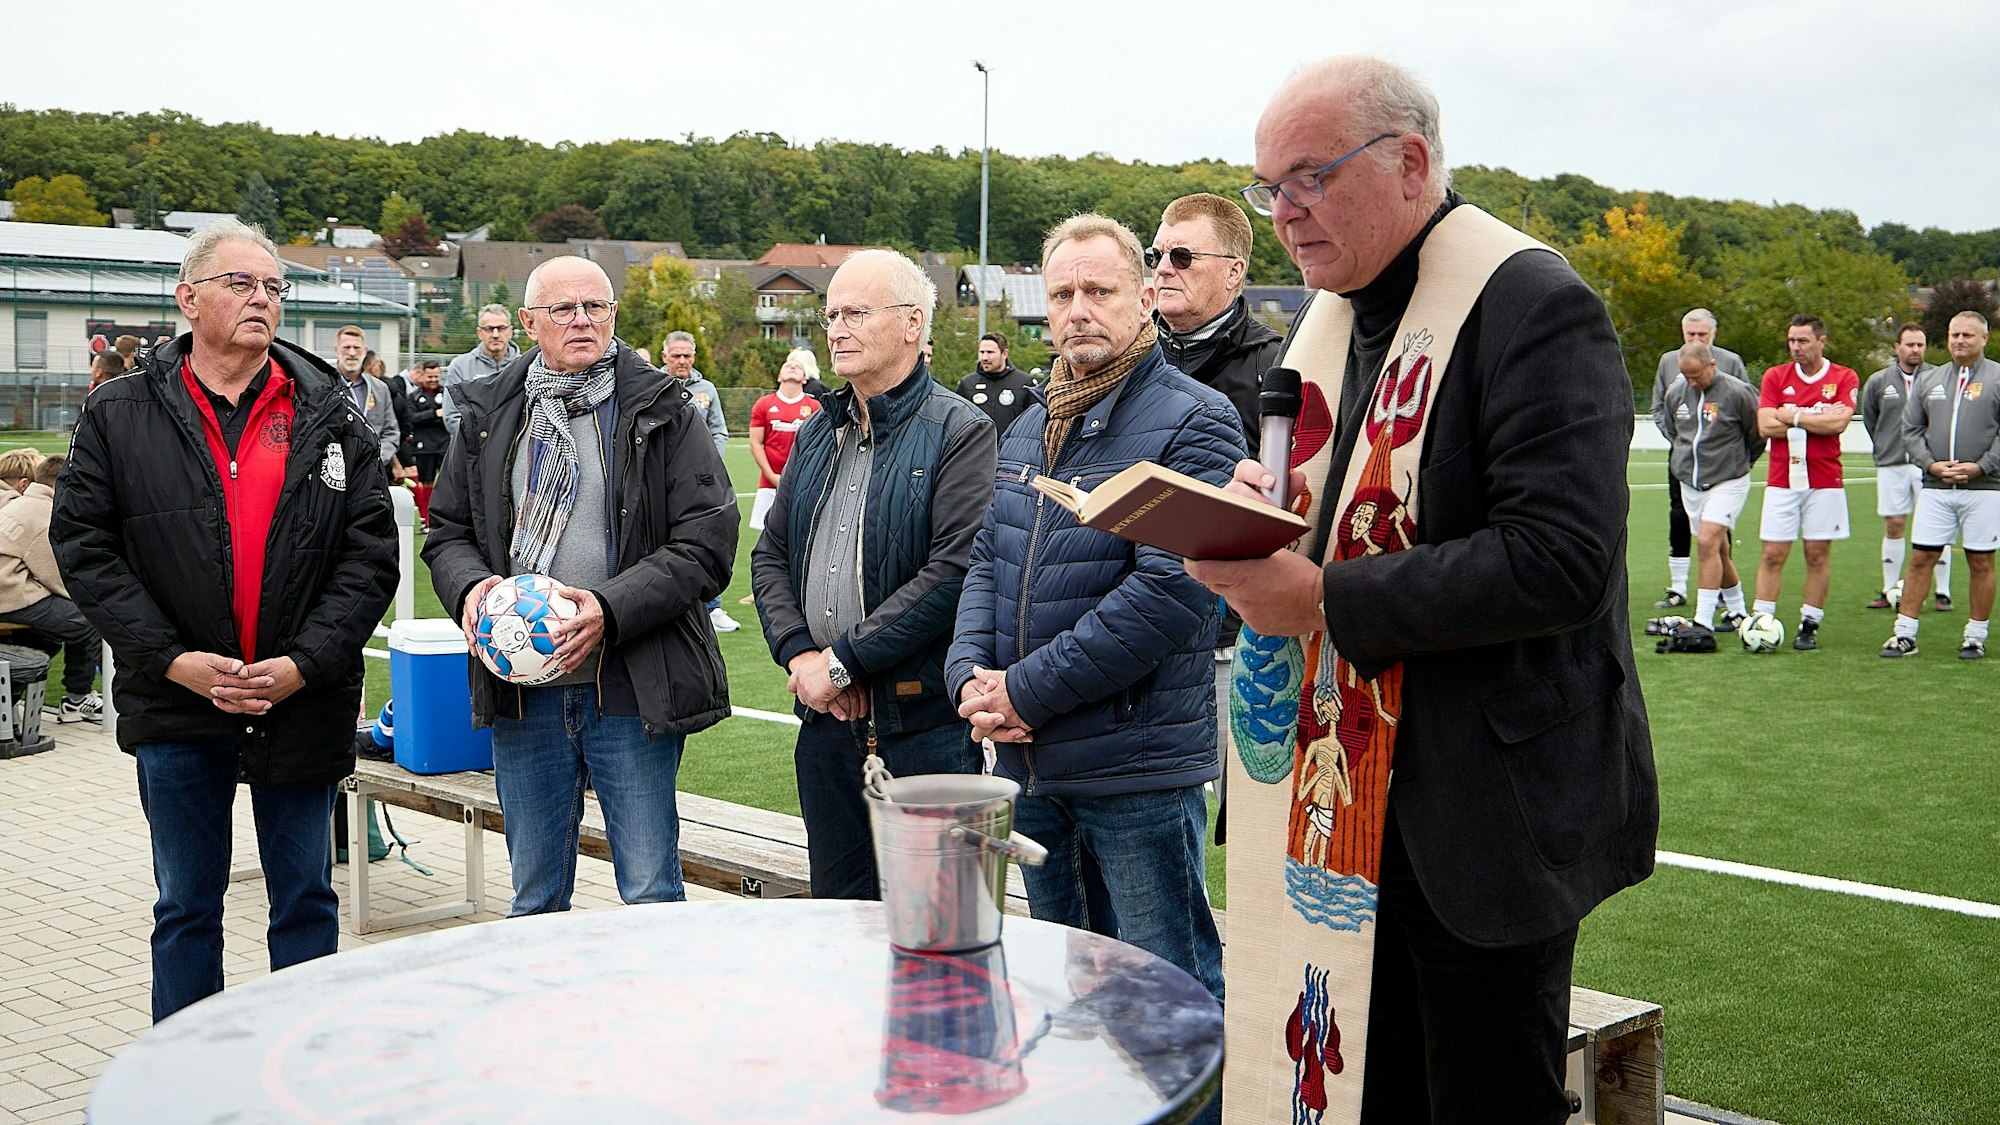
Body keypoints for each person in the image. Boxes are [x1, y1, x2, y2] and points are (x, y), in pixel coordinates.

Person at [1182, 57, 1657, 1122]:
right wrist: (1249, 516)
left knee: (1480, 1100)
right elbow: (1337, 504)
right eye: (1268, 185)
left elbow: (1560, 560)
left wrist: (1316, 600)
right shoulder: (1333, 316)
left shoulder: (1533, 304)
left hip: (1477, 816)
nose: (1283, 211)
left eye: (1308, 176)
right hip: (1337, 802)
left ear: (1408, 161)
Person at [52, 218, 398, 1022]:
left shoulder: (329, 408)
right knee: (185, 908)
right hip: (177, 702)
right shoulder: (118, 412)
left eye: (274, 287)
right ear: (188, 299)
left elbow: (368, 555)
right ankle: (184, 1088)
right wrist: (174, 660)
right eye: (240, 283)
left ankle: (300, 1071)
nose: (262, 299)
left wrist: (302, 664)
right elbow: (86, 549)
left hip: (300, 700)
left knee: (307, 903)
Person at [947, 213, 1239, 1001]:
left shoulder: (1194, 419)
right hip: (1035, 770)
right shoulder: (1032, 425)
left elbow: (1171, 592)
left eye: (1099, 289)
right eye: (1063, 291)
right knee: (1071, 996)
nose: (1078, 307)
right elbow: (986, 562)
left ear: (1144, 296)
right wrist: (970, 679)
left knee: (1168, 998)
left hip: (1133, 772)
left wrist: (1024, 692)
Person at [423, 256, 737, 915]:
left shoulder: (664, 408)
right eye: (563, 309)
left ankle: (650, 1021)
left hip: (631, 684)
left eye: (595, 306)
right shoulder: (486, 414)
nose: (582, 320)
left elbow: (708, 540)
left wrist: (609, 607)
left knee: (651, 891)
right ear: (530, 322)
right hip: (523, 694)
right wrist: (472, 588)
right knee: (534, 896)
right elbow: (447, 530)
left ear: (614, 316)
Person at [749, 248, 996, 900]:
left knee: (940, 931)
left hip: (922, 733)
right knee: (839, 932)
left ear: (913, 323)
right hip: (826, 728)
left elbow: (951, 572)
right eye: (831, 313)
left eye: (856, 312)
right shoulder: (817, 432)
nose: (836, 327)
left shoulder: (959, 429)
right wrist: (804, 656)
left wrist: (843, 662)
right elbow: (769, 556)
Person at [1881, 311, 2000, 660]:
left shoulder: (1997, 377)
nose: (1959, 340)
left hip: (1986, 489)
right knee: (1921, 558)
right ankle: (1904, 634)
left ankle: (1975, 636)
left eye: (1967, 335)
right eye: (1954, 334)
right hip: (1935, 487)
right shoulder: (1929, 380)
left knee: (1981, 562)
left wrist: (1981, 467)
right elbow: (1911, 430)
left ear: (1984, 339)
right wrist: (1931, 464)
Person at [1753, 314, 1859, 651]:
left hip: (1825, 480)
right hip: (1782, 480)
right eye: (1791, 341)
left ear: (1821, 341)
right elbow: (1765, 426)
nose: (1795, 347)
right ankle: (1761, 620)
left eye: (1803, 341)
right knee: (1772, 553)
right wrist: (1816, 418)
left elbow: (1839, 423)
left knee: (1816, 554)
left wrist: (1793, 415)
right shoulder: (1775, 376)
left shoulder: (1843, 376)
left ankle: (1810, 623)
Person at [1152, 192, 1284, 456]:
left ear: (1233, 272)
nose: (1163, 268)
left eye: (1182, 256)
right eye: (1155, 255)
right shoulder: (1126, 355)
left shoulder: (1274, 365)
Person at [1650, 342, 1761, 645]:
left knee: (1707, 541)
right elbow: (1676, 432)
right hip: (1690, 484)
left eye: (1696, 375)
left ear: (1711, 365)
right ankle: (1738, 611)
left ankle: (1702, 620)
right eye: (1686, 376)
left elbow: (1756, 435)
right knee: (1718, 550)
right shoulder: (1676, 393)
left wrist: (1740, 464)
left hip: (1728, 480)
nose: (1692, 382)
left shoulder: (1739, 393)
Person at [0, 455, 104, 720]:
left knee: (46, 638)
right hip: (10, 596)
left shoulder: (23, 504)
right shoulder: (44, 514)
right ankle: (77, 699)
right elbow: (59, 578)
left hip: (9, 593)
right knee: (90, 617)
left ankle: (11, 704)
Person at [1862, 323, 1952, 610]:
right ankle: (1889, 589)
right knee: (1894, 524)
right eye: (1910, 344)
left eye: (1920, 345)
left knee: (1936, 527)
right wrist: (1886, 446)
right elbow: (1870, 419)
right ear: (1897, 348)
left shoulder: (1940, 378)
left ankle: (1943, 592)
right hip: (1892, 463)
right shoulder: (1878, 381)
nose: (1915, 350)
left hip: (1930, 464)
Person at [662, 330, 741, 634]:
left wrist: (710, 464)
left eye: (687, 355)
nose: (682, 360)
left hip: (701, 481)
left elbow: (719, 430)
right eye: (676, 355)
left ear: (694, 356)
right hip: (663, 478)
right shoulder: (652, 384)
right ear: (665, 356)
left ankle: (713, 608)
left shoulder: (706, 388)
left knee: (707, 538)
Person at [748, 349, 820, 533]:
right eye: (788, 365)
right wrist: (772, 476)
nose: (793, 366)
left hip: (803, 482)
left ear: (805, 378)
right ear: (779, 376)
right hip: (769, 482)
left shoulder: (815, 407)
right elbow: (756, 443)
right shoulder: (763, 404)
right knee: (766, 535)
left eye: (798, 366)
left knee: (800, 532)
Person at [331, 326, 400, 473]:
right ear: (336, 350)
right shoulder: (323, 386)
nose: (352, 353)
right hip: (334, 469)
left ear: (365, 350)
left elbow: (391, 431)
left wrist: (377, 458)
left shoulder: (380, 389)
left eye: (357, 347)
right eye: (346, 347)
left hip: (372, 472)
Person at [444, 303, 519, 436]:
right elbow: (452, 418)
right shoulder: (460, 367)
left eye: (501, 328)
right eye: (489, 329)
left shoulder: (525, 366)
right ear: (479, 333)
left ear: (510, 331)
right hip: (473, 451)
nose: (495, 334)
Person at [955, 332, 1034, 434]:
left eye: (990, 352)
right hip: (979, 449)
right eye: (982, 352)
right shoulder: (967, 384)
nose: (984, 358)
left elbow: (1034, 422)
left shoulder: (1024, 383)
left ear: (1004, 354)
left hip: (1012, 448)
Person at [404, 358, 449, 526]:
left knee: (447, 482)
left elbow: (450, 415)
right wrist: (434, 414)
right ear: (422, 375)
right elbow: (412, 418)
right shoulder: (413, 397)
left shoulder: (447, 393)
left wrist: (430, 417)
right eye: (430, 376)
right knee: (426, 482)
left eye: (436, 376)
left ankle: (445, 517)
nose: (433, 380)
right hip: (424, 446)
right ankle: (427, 519)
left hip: (444, 444)